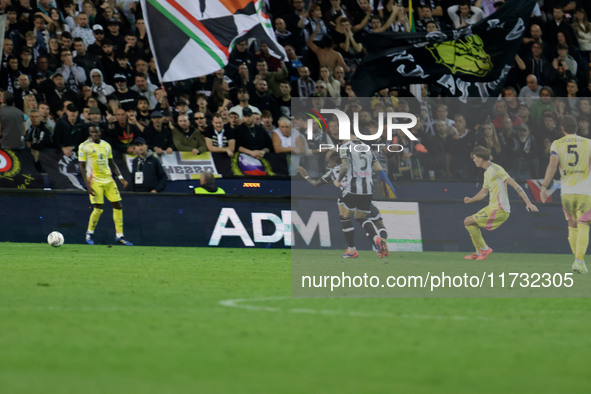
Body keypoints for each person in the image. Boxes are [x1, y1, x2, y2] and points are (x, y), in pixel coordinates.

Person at [463, 146, 538, 261]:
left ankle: (485, 249)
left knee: (468, 221)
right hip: (492, 207)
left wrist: (528, 202)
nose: (473, 160)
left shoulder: (496, 169)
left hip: (499, 209)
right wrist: (471, 200)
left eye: (475, 158)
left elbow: (515, 185)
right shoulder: (487, 172)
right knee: (469, 223)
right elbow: (483, 193)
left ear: (481, 159)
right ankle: (479, 252)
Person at [540, 115, 591, 274]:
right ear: (577, 128)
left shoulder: (556, 144)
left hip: (567, 192)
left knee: (572, 224)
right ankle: (579, 260)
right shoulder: (589, 143)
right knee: (584, 224)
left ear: (562, 128)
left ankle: (577, 261)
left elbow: (552, 166)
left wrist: (544, 187)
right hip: (585, 191)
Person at [334, 132, 388, 258]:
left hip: (352, 188)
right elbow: (379, 168)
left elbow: (345, 166)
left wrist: (338, 180)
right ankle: (376, 239)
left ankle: (352, 250)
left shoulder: (345, 147)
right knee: (360, 217)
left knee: (344, 216)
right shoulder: (367, 148)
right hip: (368, 190)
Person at [78, 124, 133, 246]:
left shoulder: (106, 145)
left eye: (96, 132)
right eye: (92, 132)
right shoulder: (84, 146)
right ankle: (89, 233)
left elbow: (112, 163)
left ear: (100, 133)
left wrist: (121, 178)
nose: (95, 134)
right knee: (98, 209)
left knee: (118, 205)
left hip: (108, 180)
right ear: (89, 133)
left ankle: (120, 236)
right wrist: (87, 185)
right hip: (95, 181)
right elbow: (81, 166)